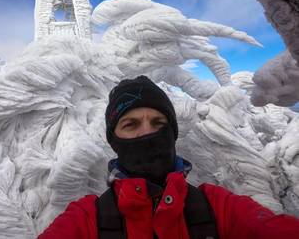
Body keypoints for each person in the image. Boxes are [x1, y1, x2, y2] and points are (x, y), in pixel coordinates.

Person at [38, 76, 299, 239]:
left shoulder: (218, 206)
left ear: (172, 132)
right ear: (114, 139)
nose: (147, 133)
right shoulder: (87, 218)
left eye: (158, 122)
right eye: (130, 124)